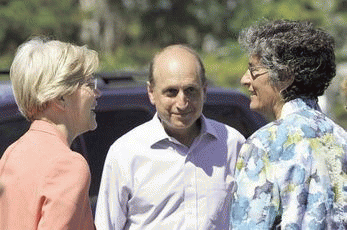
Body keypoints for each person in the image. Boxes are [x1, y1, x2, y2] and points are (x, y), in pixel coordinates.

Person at [95, 44, 246, 229]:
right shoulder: (125, 153)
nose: (182, 103)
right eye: (171, 92)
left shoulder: (232, 144)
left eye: (190, 90)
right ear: (151, 92)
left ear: (204, 91)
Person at [230, 20, 347, 229]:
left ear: (284, 76)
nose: (245, 79)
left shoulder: (264, 145)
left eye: (253, 70)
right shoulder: (341, 139)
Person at [0, 37, 100, 230]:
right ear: (61, 97)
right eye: (88, 83)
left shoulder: (11, 154)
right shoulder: (68, 165)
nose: (97, 93)